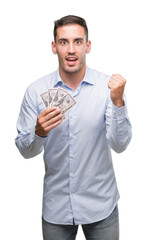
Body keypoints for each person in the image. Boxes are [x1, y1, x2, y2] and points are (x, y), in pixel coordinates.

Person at [15, 15, 132, 240]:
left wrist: (118, 103)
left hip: (101, 205)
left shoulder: (108, 89)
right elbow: (25, 151)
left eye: (78, 41)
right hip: (56, 207)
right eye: (63, 42)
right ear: (53, 47)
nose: (71, 49)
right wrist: (38, 132)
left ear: (87, 46)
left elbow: (120, 145)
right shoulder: (35, 91)